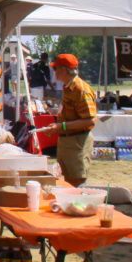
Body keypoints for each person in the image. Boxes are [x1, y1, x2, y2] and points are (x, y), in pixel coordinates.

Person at [36, 53, 97, 186]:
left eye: (56, 69)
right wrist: (56, 126)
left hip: (77, 142)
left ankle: (79, 205)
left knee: (77, 182)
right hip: (68, 141)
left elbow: (90, 120)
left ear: (63, 70)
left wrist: (60, 127)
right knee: (67, 182)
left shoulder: (81, 89)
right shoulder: (68, 87)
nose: (54, 72)